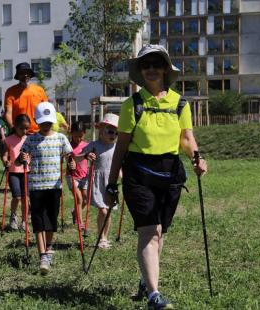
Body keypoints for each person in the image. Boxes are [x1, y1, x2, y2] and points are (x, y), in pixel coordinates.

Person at [105, 44, 208, 310]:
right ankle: (154, 296)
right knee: (150, 231)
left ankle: (146, 279)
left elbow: (186, 139)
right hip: (138, 173)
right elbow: (122, 146)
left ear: (165, 69)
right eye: (146, 64)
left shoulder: (180, 102)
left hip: (170, 173)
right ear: (141, 70)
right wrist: (111, 182)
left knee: (160, 232)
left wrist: (197, 158)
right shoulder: (132, 105)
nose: (151, 68)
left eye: (156, 63)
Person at [19, 102, 75, 275]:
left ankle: (48, 247)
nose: (45, 125)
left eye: (48, 122)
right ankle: (42, 255)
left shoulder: (60, 138)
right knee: (38, 221)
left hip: (54, 186)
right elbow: (20, 159)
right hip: (36, 186)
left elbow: (69, 156)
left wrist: (72, 162)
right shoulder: (31, 139)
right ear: (37, 121)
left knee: (51, 219)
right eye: (42, 122)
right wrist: (23, 158)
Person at [78, 113, 119, 249]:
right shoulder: (94, 145)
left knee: (107, 210)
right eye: (110, 131)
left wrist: (121, 172)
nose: (113, 134)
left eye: (116, 132)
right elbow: (77, 157)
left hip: (110, 181)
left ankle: (105, 237)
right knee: (103, 210)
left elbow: (120, 163)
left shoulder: (117, 147)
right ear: (101, 131)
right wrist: (86, 155)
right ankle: (101, 238)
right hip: (97, 180)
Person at [1, 114, 30, 230]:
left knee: (25, 198)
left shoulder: (28, 139)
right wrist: (5, 162)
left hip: (26, 171)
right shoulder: (8, 140)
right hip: (13, 172)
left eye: (27, 128)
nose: (24, 131)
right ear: (15, 127)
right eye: (22, 128)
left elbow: (32, 154)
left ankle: (25, 220)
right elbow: (4, 155)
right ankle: (13, 216)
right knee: (17, 196)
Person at [5, 62, 48, 134]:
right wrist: (12, 128)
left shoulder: (39, 90)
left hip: (38, 133)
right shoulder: (10, 92)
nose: (25, 75)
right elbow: (8, 113)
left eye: (27, 72)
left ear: (30, 75)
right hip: (19, 134)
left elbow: (46, 111)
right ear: (18, 76)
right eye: (22, 73)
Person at [66, 121, 89, 228]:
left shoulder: (87, 145)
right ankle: (80, 223)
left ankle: (75, 211)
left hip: (84, 176)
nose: (78, 139)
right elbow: (68, 158)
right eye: (75, 136)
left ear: (84, 133)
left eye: (80, 136)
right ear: (71, 134)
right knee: (78, 199)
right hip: (72, 176)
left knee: (86, 199)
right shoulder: (68, 146)